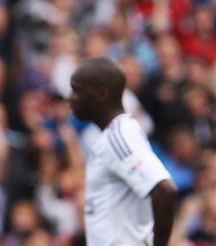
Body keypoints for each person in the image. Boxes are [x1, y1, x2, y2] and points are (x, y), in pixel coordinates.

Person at [69, 57, 177, 246]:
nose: (70, 98)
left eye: (77, 90)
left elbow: (165, 190)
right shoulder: (110, 137)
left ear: (101, 93)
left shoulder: (119, 137)